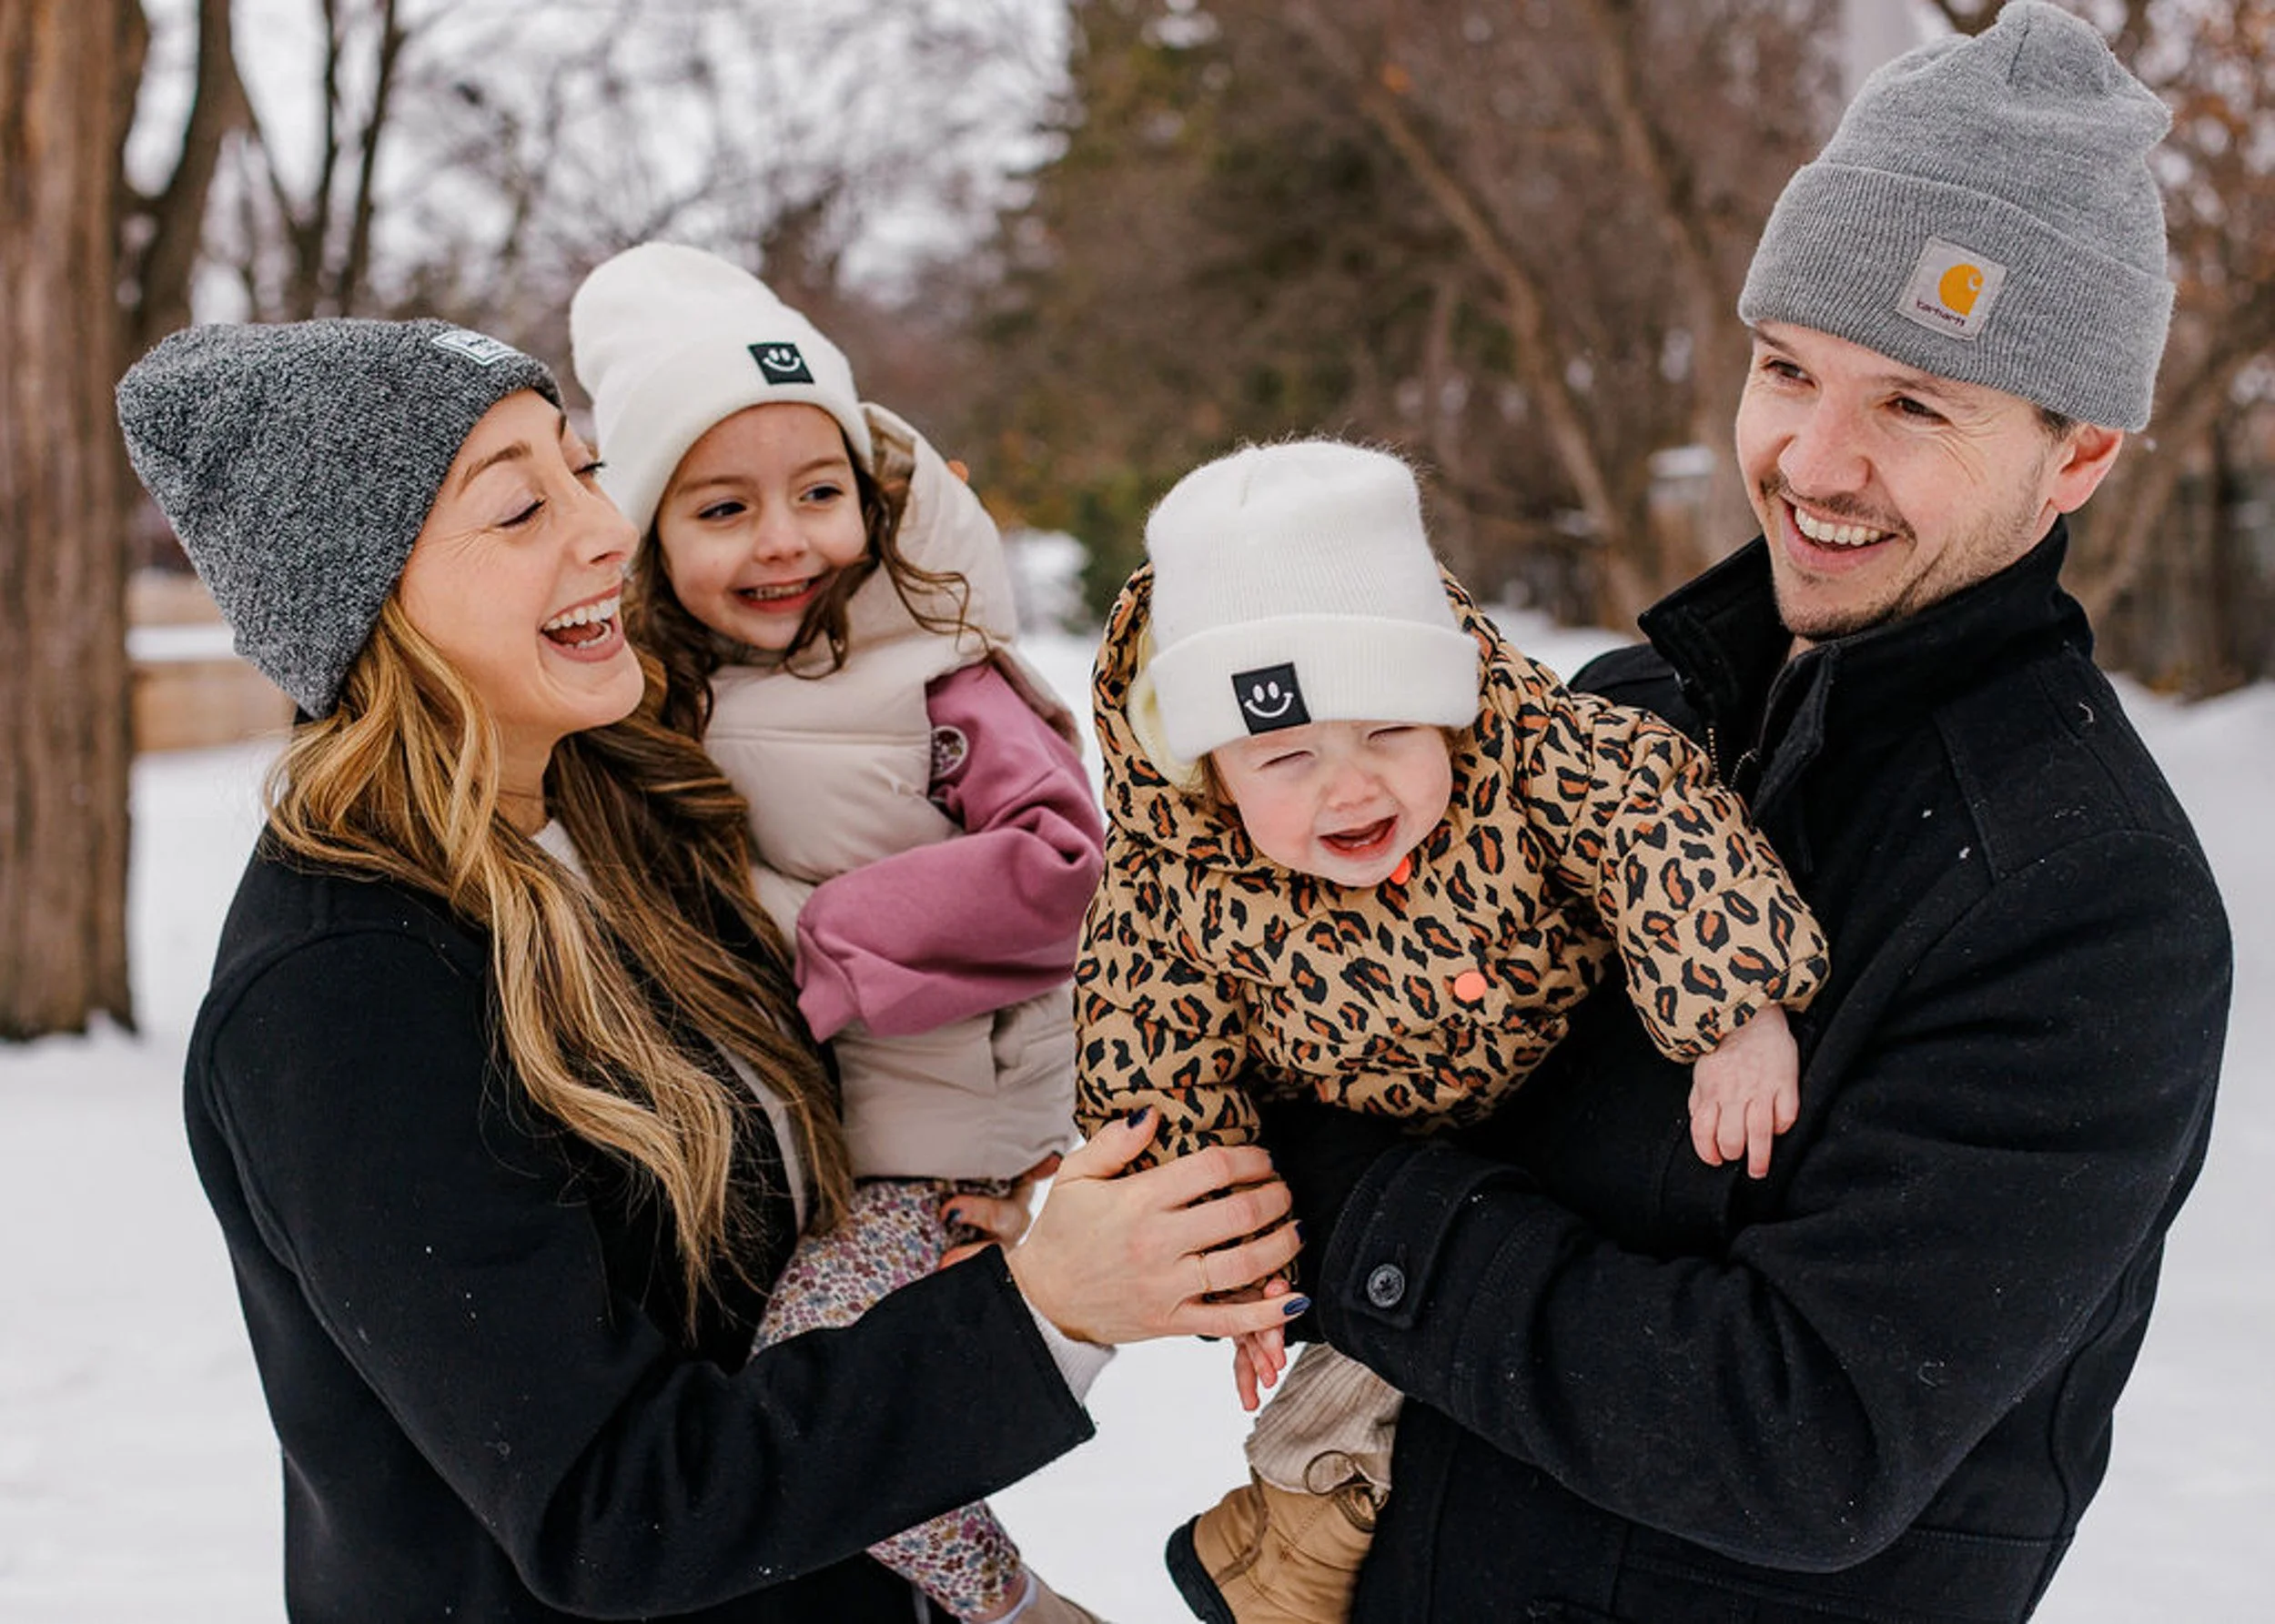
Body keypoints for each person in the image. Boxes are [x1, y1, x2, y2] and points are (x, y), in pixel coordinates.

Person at [1255, 5, 2232, 1619]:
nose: (1816, 461)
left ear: (2080, 459)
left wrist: (1353, 1202)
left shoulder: (2083, 899)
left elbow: (1799, 1438)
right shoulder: (1643, 709)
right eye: (1788, 370)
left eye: (1919, 405)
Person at [115, 315, 1303, 1623]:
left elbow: (745, 1281)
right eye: (520, 508)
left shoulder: (626, 804)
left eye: (581, 469)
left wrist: (974, 1207)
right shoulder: (344, 995)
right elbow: (614, 1510)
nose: (605, 529)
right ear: (368, 600)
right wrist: (1044, 1314)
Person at [1075, 438, 1831, 1623]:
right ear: (1215, 774)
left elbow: (1655, 817)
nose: (1352, 789)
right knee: (1348, 1410)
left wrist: (1736, 1007)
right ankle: (1277, 1550)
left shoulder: (1525, 747)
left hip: (1569, 1085)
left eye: (1389, 732)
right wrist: (1239, 1255)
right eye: (1288, 757)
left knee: (1564, 1334)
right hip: (1368, 1138)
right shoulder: (1177, 887)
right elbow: (1159, 1066)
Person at [568, 241, 1108, 1624]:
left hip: (927, 1138)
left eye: (820, 494)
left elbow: (1063, 859)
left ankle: (1004, 1603)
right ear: (645, 538)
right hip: (793, 1135)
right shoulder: (649, 705)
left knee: (807, 1386)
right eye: (724, 508)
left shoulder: (934, 677)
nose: (784, 539)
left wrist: (842, 939)